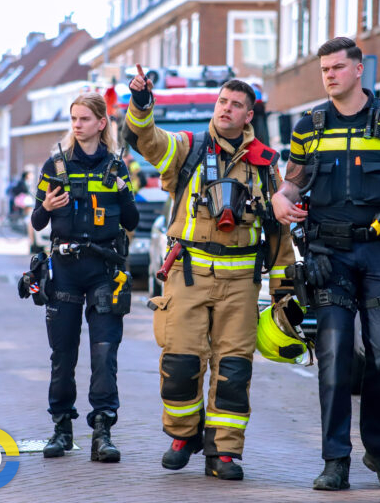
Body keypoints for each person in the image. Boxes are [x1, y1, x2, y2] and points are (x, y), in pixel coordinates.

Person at [272, 37, 380, 490]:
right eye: (323, 69)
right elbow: (293, 184)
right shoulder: (309, 126)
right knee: (332, 357)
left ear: (358, 70)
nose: (328, 75)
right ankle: (335, 461)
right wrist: (279, 199)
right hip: (328, 257)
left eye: (336, 67)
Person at [127, 66, 295, 480]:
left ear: (248, 115)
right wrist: (142, 104)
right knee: (181, 363)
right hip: (187, 275)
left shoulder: (265, 166)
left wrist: (284, 288)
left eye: (236, 105)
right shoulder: (189, 147)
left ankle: (223, 453)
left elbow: (278, 232)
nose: (226, 109)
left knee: (234, 369)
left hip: (240, 284)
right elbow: (147, 141)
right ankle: (184, 435)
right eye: (222, 101)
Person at [29, 92, 139, 463]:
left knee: (104, 353)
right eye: (73, 119)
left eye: (84, 119)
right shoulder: (55, 166)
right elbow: (37, 222)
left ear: (101, 124)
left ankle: (103, 432)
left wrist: (122, 191)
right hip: (64, 271)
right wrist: (45, 206)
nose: (77, 125)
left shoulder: (116, 166)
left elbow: (132, 221)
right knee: (63, 355)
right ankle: (61, 429)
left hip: (105, 270)